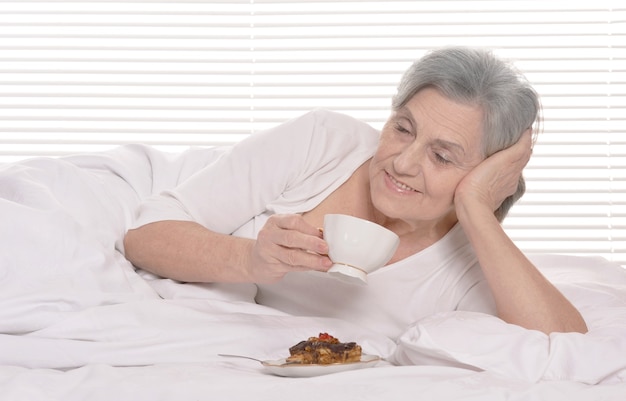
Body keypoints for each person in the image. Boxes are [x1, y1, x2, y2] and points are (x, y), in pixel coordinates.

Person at [123, 46, 588, 339]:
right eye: (403, 129)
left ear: (486, 172)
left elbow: (566, 345)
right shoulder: (324, 142)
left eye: (442, 157)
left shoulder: (466, 259)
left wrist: (477, 209)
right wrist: (251, 260)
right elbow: (145, 235)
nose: (403, 163)